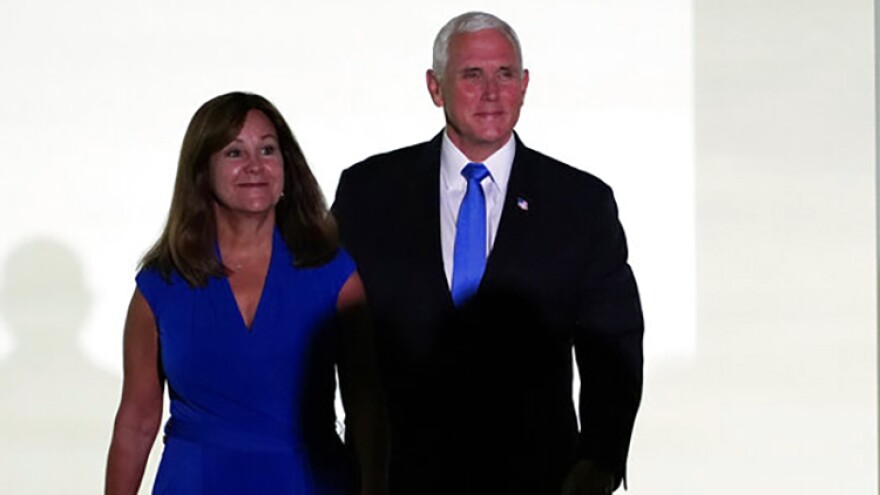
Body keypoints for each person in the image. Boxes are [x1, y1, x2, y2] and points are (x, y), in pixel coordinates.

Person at [332, 12, 643, 495]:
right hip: (398, 475)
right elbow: (336, 334)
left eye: (505, 75)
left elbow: (614, 344)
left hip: (540, 476)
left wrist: (600, 460)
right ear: (436, 88)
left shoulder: (579, 202)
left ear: (525, 85)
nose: (492, 92)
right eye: (472, 75)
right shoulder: (369, 192)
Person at [105, 92, 386, 495]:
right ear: (202, 171)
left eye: (267, 149)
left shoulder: (333, 276)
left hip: (308, 482)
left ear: (286, 166)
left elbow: (367, 409)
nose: (255, 166)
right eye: (234, 152)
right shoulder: (161, 285)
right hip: (195, 482)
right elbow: (136, 422)